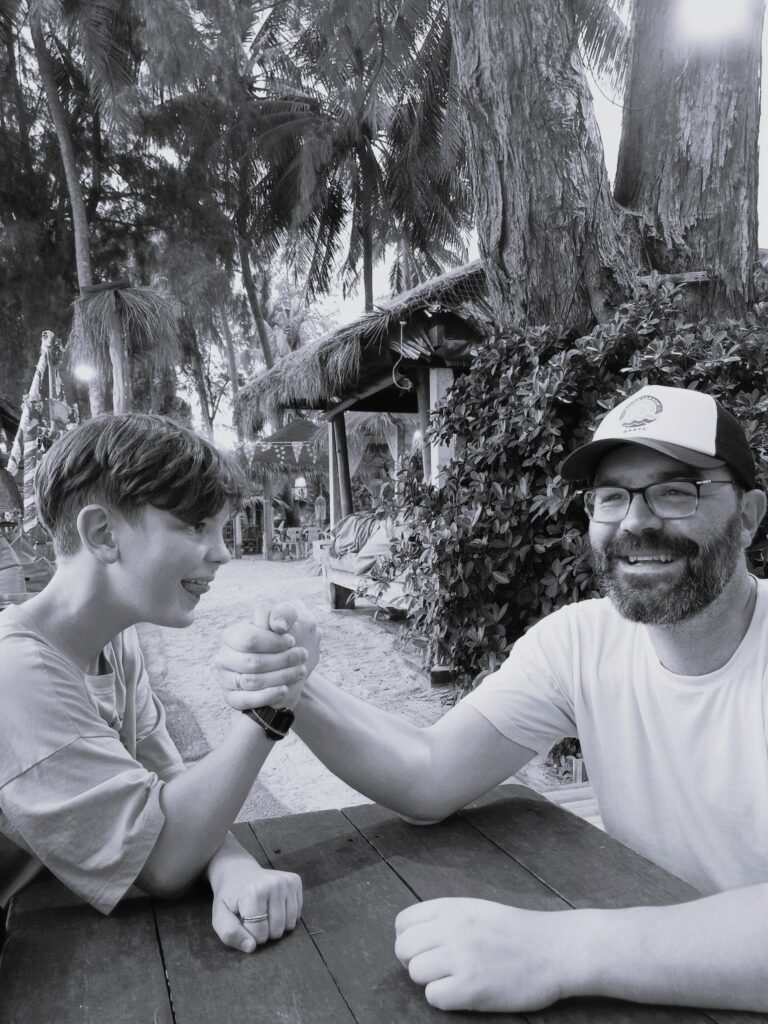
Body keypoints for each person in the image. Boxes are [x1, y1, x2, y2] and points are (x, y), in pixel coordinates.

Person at [215, 384, 768, 1013]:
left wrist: (559, 949)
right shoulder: (582, 642)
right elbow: (430, 774)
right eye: (612, 496)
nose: (635, 521)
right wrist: (294, 684)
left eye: (676, 491)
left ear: (748, 516)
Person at [0, 413, 305, 953]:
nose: (223, 552)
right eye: (196, 526)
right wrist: (270, 707)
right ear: (103, 534)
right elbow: (162, 858)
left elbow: (163, 793)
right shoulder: (18, 674)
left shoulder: (114, 644)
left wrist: (230, 864)